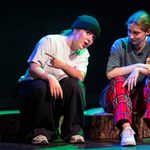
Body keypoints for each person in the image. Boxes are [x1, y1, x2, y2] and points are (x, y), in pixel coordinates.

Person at [12, 14, 101, 145]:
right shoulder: (50, 41)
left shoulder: (83, 53)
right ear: (75, 29)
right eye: (88, 33)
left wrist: (62, 65)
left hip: (55, 96)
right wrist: (50, 77)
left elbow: (81, 76)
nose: (89, 39)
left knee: (76, 84)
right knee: (41, 85)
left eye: (93, 37)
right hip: (30, 90)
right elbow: (33, 68)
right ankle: (40, 132)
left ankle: (73, 131)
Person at [100, 10, 150, 146]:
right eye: (129, 31)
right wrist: (137, 65)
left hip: (138, 98)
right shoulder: (120, 44)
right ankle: (127, 130)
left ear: (148, 32)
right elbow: (110, 73)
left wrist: (139, 70)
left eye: (136, 33)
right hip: (115, 97)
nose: (131, 36)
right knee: (119, 79)